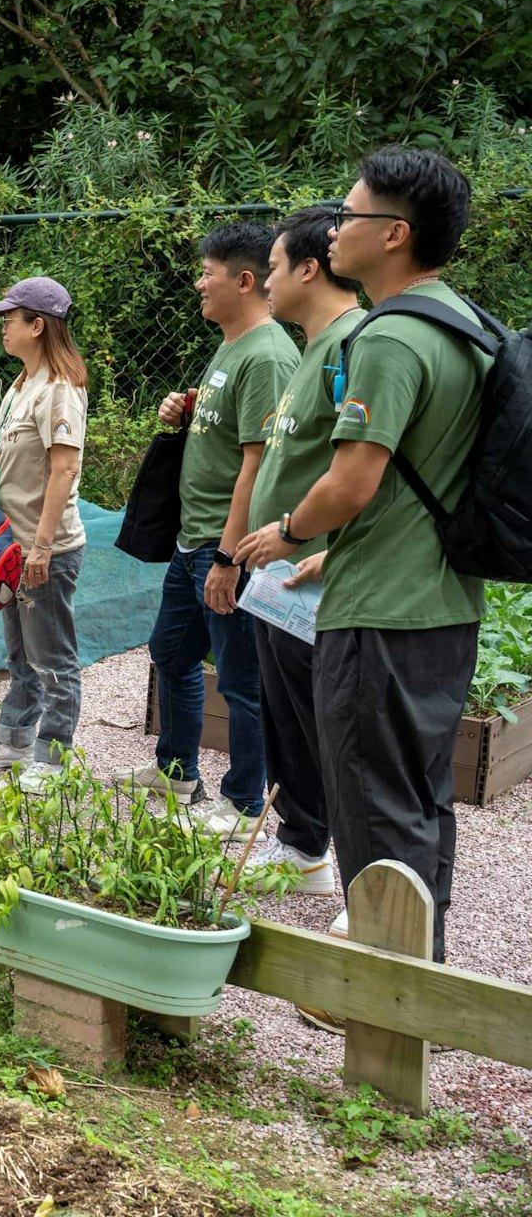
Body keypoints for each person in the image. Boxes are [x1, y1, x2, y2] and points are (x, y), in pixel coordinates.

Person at [235, 146, 486, 964]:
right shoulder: (465, 326)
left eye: (350, 215)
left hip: (379, 607)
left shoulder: (392, 337)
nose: (335, 228)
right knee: (419, 795)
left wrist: (289, 533)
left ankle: (382, 988)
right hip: (443, 601)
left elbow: (350, 482)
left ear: (395, 234)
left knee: (373, 800)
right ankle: (420, 960)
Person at [123, 224, 298, 837]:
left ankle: (245, 803)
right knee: (171, 653)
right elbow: (229, 429)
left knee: (243, 680)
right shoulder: (232, 346)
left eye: (207, 273)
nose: (198, 283)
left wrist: (228, 559)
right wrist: (187, 409)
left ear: (244, 281)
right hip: (192, 540)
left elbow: (258, 464)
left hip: (227, 548)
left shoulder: (268, 355)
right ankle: (176, 771)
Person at [238, 207, 363, 906]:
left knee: (325, 726)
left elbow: (368, 470)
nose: (268, 283)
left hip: (314, 578)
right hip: (277, 579)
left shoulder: (353, 344)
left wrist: (328, 549)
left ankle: (361, 884)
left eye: (276, 268)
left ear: (310, 269)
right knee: (285, 715)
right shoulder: (310, 346)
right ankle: (303, 847)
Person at [0, 278, 87, 784]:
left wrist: (41, 546)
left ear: (37, 326)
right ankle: (15, 740)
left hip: (46, 549)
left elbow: (64, 469)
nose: (2, 328)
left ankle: (54, 758)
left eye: (9, 319)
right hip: (12, 545)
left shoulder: (60, 390)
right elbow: (25, 453)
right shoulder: (21, 384)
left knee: (52, 657)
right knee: (19, 653)